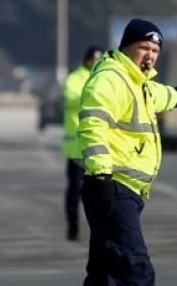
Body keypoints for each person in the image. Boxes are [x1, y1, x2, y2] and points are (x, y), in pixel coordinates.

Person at [76, 19, 177, 286]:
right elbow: (94, 126)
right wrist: (101, 176)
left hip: (123, 189)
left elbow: (156, 94)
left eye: (155, 50)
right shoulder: (111, 79)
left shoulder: (138, 82)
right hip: (113, 187)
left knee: (103, 273)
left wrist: (176, 96)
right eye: (143, 48)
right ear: (127, 47)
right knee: (136, 270)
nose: (149, 56)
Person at [62, 45, 104, 242]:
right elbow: (71, 99)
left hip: (98, 147)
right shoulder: (74, 79)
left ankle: (99, 229)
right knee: (75, 191)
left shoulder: (103, 78)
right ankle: (73, 227)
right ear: (88, 60)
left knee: (100, 192)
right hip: (77, 148)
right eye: (95, 59)